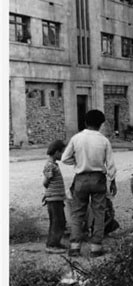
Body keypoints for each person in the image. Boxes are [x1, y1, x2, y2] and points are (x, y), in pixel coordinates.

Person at [61, 109, 117, 258]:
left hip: (81, 179)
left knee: (77, 213)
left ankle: (74, 247)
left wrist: (78, 162)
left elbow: (65, 158)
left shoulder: (77, 138)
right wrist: (112, 180)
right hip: (99, 179)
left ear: (85, 122)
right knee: (98, 213)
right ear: (101, 124)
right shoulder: (104, 140)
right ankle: (96, 248)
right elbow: (110, 164)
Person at [42, 140, 67, 254]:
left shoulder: (53, 165)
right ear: (56, 152)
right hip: (53, 198)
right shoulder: (50, 165)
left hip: (56, 198)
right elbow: (45, 181)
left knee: (59, 221)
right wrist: (49, 192)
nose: (63, 155)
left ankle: (55, 242)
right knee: (57, 222)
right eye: (62, 152)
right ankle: (51, 244)